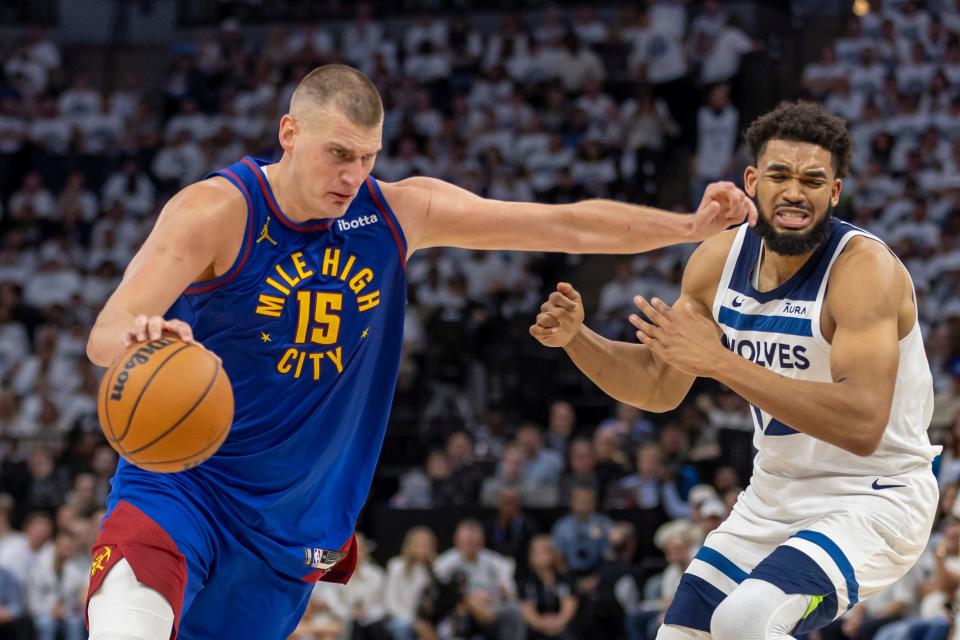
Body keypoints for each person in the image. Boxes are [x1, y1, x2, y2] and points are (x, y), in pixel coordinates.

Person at [83, 63, 755, 640]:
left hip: (289, 526)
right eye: (338, 154)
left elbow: (561, 220)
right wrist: (146, 336)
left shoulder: (394, 214)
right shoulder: (217, 211)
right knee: (124, 619)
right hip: (184, 488)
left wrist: (688, 227)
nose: (354, 174)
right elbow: (105, 335)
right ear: (290, 133)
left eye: (368, 156)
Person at [530, 101, 940, 639]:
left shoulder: (864, 271)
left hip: (875, 496)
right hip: (772, 498)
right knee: (680, 636)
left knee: (745, 622)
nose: (795, 191)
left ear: (834, 192)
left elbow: (861, 425)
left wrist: (721, 361)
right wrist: (578, 340)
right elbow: (659, 386)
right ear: (753, 181)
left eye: (813, 180)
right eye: (780, 175)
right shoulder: (715, 262)